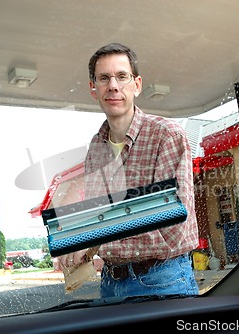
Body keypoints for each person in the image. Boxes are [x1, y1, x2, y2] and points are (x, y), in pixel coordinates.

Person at [58, 42, 199, 298]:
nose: (113, 85)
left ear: (137, 84)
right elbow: (97, 209)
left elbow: (171, 216)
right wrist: (75, 242)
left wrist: (94, 237)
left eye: (122, 76)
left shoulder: (166, 134)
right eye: (104, 78)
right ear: (94, 89)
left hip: (163, 280)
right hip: (110, 283)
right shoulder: (96, 146)